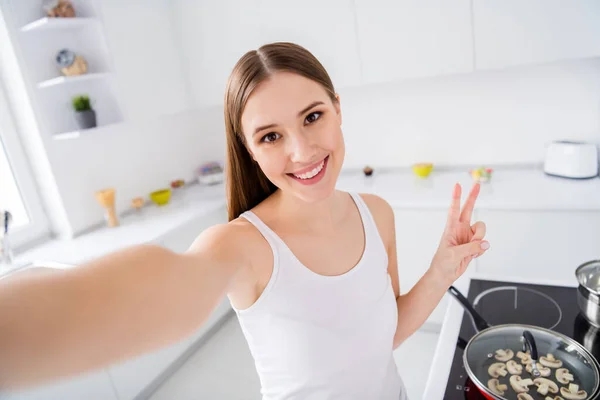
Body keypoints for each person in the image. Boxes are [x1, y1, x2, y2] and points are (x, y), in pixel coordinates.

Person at [0, 42, 489, 399]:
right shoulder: (242, 246)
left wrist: (443, 270)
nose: (301, 151)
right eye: (271, 136)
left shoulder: (376, 213)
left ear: (338, 110)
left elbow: (385, 335)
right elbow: (167, 290)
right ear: (250, 152)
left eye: (313, 117)